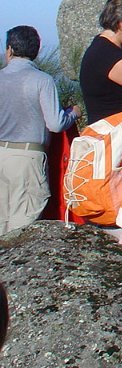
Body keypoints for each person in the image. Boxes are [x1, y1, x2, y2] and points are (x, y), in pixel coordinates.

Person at [0, 25, 79, 234]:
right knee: (22, 227)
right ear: (36, 51)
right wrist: (73, 113)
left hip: (1, 153)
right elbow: (55, 123)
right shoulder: (42, 80)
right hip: (28, 158)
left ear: (9, 49)